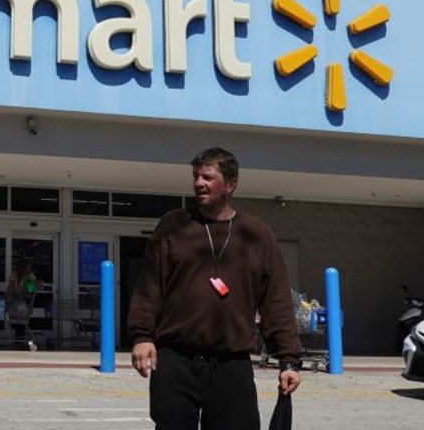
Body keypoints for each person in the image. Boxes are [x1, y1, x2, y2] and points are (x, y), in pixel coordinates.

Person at [127, 147, 302, 430]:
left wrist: (288, 360)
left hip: (231, 364)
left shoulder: (257, 235)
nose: (199, 183)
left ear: (231, 184)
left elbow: (276, 302)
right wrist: (141, 336)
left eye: (208, 177)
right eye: (196, 176)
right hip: (175, 359)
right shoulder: (174, 225)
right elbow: (149, 286)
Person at [6, 260, 39, 351]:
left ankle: (19, 338)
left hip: (20, 307)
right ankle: (19, 338)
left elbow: (28, 291)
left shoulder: (28, 278)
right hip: (18, 306)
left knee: (19, 319)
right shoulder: (18, 277)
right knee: (19, 321)